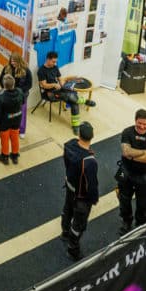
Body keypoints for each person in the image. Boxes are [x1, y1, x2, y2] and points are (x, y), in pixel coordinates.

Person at [118, 109, 146, 234]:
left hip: (144, 175)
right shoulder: (127, 132)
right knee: (124, 199)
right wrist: (143, 152)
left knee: (143, 202)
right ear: (135, 120)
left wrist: (133, 154)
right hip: (125, 171)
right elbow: (126, 152)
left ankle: (141, 223)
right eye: (139, 123)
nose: (142, 126)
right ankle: (126, 221)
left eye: (144, 124)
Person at [61, 122, 99, 260]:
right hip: (81, 197)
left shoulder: (69, 145)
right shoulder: (89, 161)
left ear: (79, 134)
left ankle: (64, 232)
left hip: (70, 186)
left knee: (67, 210)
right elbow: (92, 185)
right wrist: (93, 199)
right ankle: (73, 249)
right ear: (92, 136)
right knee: (79, 223)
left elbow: (66, 162)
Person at [38, 51, 95, 135]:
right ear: (48, 60)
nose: (55, 63)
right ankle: (84, 102)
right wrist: (54, 84)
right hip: (49, 93)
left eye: (56, 61)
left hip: (59, 90)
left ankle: (76, 126)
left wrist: (64, 86)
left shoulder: (55, 67)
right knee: (72, 99)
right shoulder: (41, 71)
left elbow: (60, 79)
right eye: (53, 61)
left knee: (73, 101)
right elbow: (44, 85)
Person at [0, 75, 24, 165]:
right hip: (17, 119)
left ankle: (5, 156)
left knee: (5, 138)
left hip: (5, 122)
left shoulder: (1, 97)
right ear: (14, 83)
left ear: (4, 85)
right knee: (15, 137)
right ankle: (15, 155)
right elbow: (23, 102)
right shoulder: (20, 92)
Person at [0, 53, 33, 137]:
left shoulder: (26, 70)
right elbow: (1, 80)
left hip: (21, 95)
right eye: (11, 61)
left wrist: (19, 91)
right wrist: (5, 88)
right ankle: (10, 128)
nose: (12, 63)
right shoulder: (6, 68)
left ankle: (21, 130)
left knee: (21, 113)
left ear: (19, 61)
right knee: (9, 113)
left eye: (15, 61)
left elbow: (29, 84)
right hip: (8, 94)